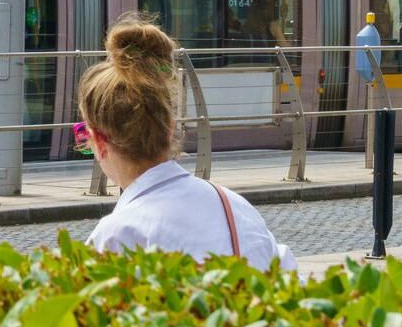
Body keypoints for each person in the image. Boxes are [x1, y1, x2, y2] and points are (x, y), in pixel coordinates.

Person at [79, 15, 296, 271]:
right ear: (170, 127)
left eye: (83, 134)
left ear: (99, 143)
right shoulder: (234, 205)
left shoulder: (116, 234)